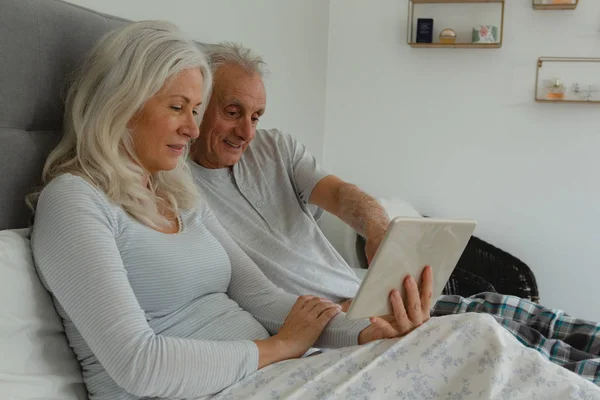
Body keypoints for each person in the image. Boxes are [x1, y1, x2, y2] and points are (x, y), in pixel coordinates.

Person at [28, 20, 600, 400]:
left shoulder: (176, 193)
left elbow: (264, 299)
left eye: (195, 108)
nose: (192, 126)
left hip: (270, 371)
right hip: (219, 387)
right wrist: (279, 347)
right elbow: (137, 364)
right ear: (122, 104)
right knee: (474, 343)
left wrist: (364, 335)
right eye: (178, 107)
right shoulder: (73, 201)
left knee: (475, 333)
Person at [188, 42, 600, 386]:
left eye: (256, 116)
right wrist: (346, 319)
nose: (247, 132)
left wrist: (377, 227)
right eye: (232, 112)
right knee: (515, 340)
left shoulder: (274, 147)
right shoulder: (178, 189)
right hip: (334, 328)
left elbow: (342, 195)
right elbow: (256, 297)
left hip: (363, 295)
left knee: (522, 313)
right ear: (197, 105)